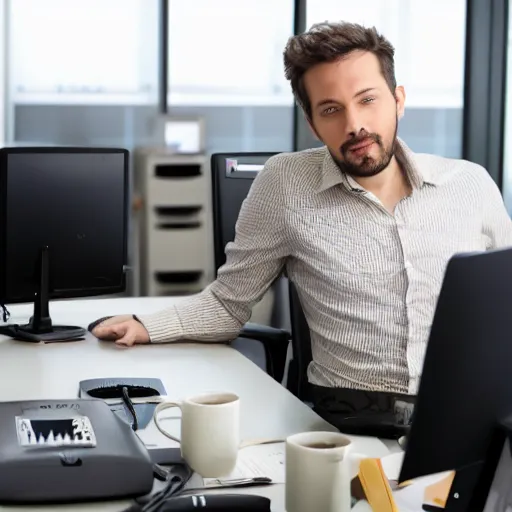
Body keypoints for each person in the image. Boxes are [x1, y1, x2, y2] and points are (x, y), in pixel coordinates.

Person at [92, 22, 512, 425]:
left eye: (368, 99)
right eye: (331, 110)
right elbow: (227, 304)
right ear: (313, 123)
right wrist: (149, 326)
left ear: (398, 99)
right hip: (348, 421)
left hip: (466, 412)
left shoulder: (469, 184)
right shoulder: (285, 184)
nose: (354, 125)